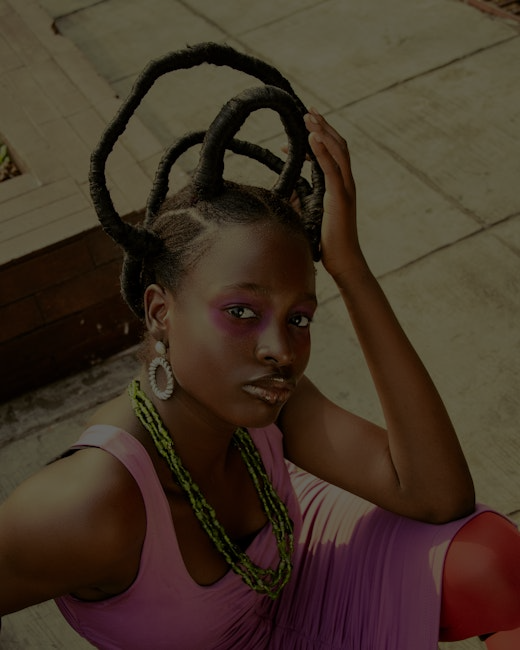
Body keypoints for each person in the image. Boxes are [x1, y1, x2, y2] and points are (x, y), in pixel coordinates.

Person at [0, 43, 519, 650]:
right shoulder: (88, 503)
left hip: (301, 581)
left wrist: (349, 268)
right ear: (160, 311)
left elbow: (436, 495)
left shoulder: (270, 402)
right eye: (241, 312)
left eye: (299, 318)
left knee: (491, 560)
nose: (280, 349)